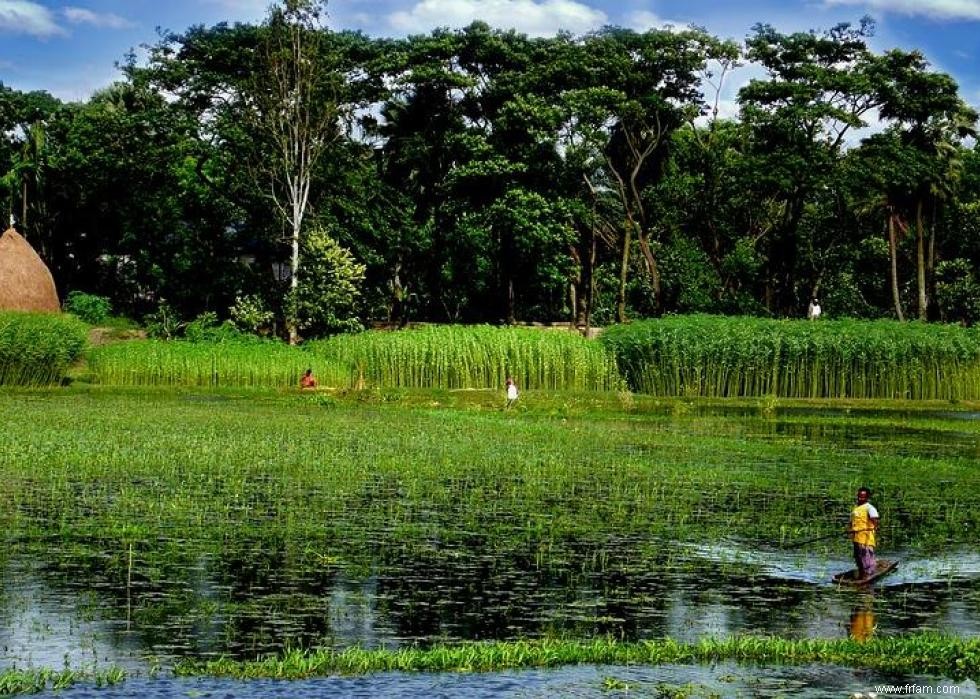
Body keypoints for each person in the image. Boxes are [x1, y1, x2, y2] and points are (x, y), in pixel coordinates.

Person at [850, 486, 880, 580]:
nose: (860, 498)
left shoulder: (870, 508)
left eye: (862, 497)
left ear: (867, 497)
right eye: (859, 496)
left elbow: (875, 522)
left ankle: (868, 576)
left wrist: (867, 529)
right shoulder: (856, 509)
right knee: (858, 557)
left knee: (866, 558)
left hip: (866, 538)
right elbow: (852, 522)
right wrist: (850, 530)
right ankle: (862, 574)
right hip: (856, 538)